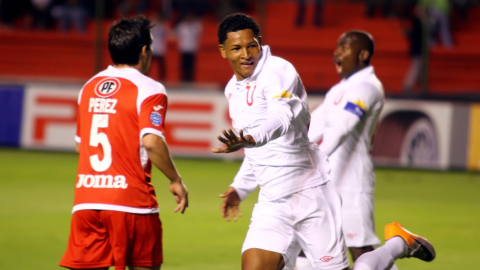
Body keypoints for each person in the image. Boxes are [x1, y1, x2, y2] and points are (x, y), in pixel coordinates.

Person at [212, 13, 435, 270]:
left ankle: (397, 245)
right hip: (273, 202)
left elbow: (282, 115)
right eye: (237, 48)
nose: (246, 54)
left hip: (311, 194)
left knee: (355, 252)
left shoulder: (277, 70)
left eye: (251, 45)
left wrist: (251, 138)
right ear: (223, 51)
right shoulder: (233, 90)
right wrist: (240, 187)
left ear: (260, 42)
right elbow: (264, 151)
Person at [59, 16, 188, 270]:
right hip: (131, 203)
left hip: (86, 201)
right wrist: (175, 179)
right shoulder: (150, 89)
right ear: (144, 50)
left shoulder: (89, 86)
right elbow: (151, 141)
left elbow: (80, 146)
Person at [296, 31, 396, 270]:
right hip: (326, 180)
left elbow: (342, 127)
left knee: (361, 251)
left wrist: (315, 160)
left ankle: (400, 244)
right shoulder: (339, 89)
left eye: (344, 47)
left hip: (352, 182)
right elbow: (317, 124)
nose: (336, 52)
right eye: (337, 46)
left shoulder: (368, 88)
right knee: (303, 246)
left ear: (363, 54)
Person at [175, 13, 202, 82]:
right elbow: (175, 34)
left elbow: (199, 33)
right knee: (183, 65)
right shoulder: (182, 26)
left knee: (191, 66)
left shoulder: (195, 26)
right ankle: (183, 78)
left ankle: (190, 79)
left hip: (192, 48)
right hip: (184, 48)